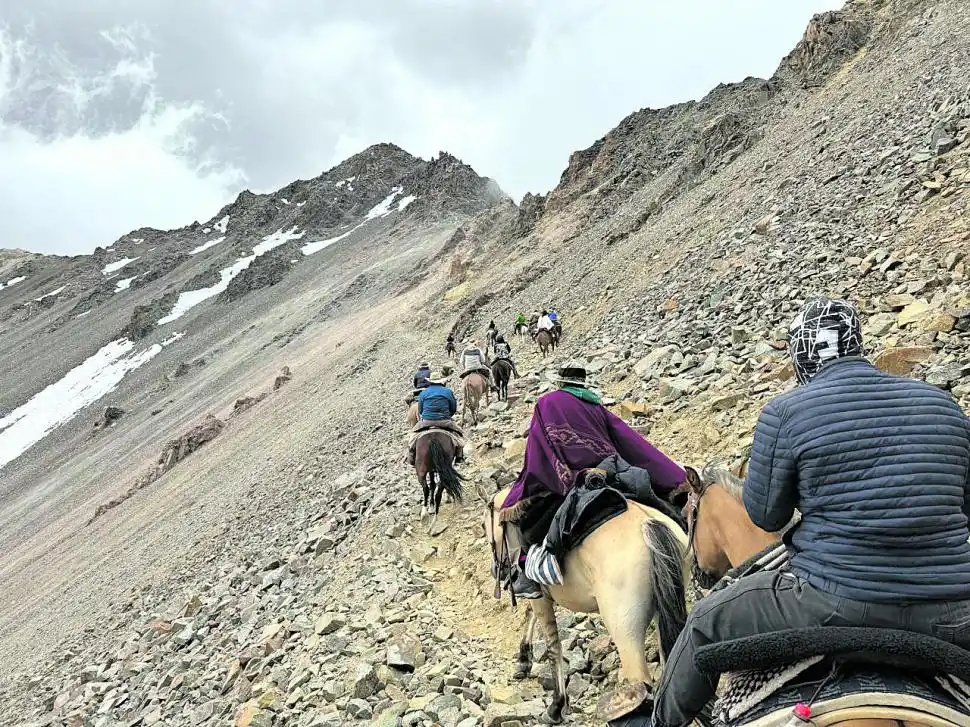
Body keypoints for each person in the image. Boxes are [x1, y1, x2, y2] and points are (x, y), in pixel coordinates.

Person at [647, 297, 970, 727]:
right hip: (951, 612)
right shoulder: (943, 405)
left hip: (832, 600)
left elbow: (766, 516)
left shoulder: (785, 411)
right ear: (857, 344)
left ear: (799, 356)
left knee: (704, 622)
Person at [501, 363, 686, 598]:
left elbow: (538, 446)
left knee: (529, 523)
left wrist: (539, 476)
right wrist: (672, 474)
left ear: (560, 382)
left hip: (574, 476)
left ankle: (529, 578)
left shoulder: (548, 402)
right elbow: (629, 440)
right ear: (583, 383)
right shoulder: (596, 406)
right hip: (609, 472)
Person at [407, 375, 465, 465]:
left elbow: (421, 410)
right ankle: (459, 456)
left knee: (413, 435)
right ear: (441, 381)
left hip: (426, 422)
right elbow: (453, 408)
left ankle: (411, 455)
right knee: (459, 435)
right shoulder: (448, 392)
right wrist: (447, 415)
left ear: (430, 382)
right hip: (445, 421)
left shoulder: (423, 393)